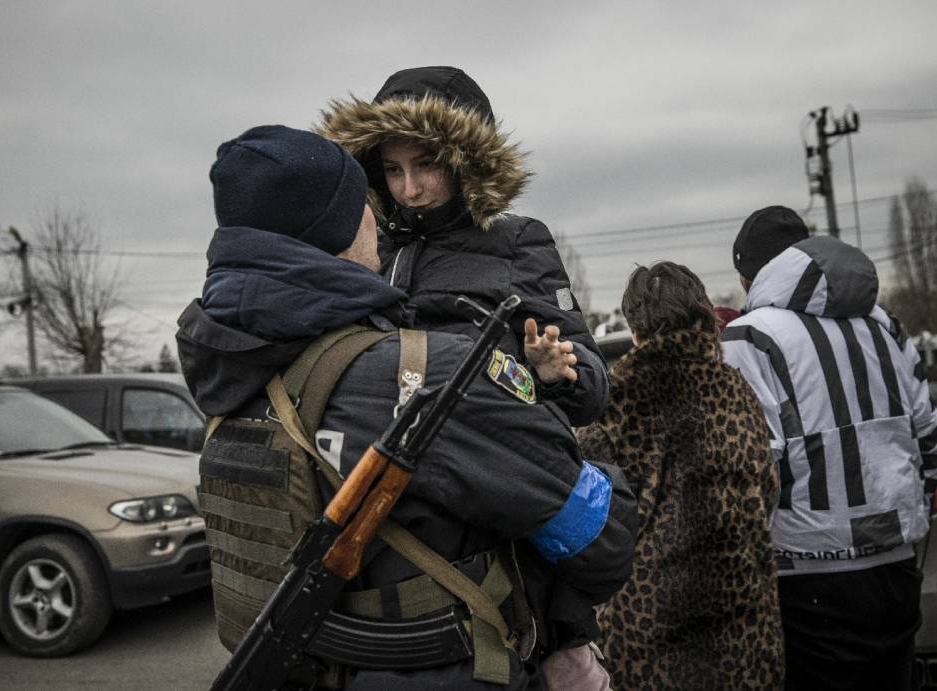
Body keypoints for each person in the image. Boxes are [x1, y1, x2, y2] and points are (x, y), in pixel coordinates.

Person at [176, 124, 637, 690]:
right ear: (338, 228)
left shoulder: (229, 366)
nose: (390, 202)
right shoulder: (424, 373)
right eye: (368, 194)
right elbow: (602, 537)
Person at [318, 65, 608, 427]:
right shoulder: (364, 246)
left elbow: (592, 392)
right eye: (393, 170)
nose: (410, 189)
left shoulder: (517, 242)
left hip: (480, 461)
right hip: (372, 463)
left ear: (465, 162)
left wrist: (556, 373)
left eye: (426, 165)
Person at [722, 205, 937, 691]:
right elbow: (928, 433)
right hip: (896, 562)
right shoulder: (886, 324)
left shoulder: (748, 336)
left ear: (749, 276)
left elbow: (749, 469)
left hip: (803, 572)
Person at [574, 262, 783, 690]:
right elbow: (770, 490)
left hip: (649, 632)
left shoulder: (616, 404)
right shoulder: (738, 393)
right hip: (744, 631)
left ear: (635, 328)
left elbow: (586, 517)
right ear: (703, 315)